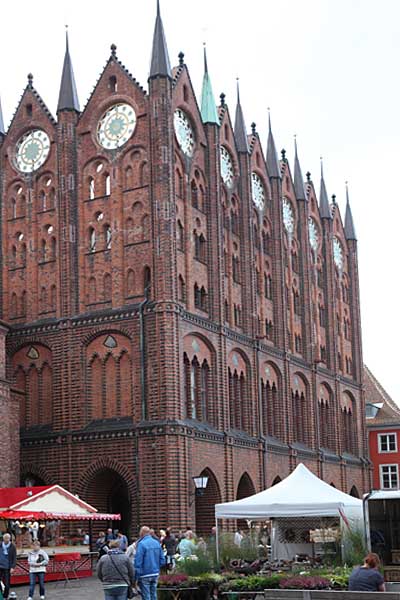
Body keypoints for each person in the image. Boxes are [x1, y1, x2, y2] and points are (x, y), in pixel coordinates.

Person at [134, 526, 165, 600]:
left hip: (144, 574)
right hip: (155, 573)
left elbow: (138, 561)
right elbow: (162, 560)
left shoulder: (141, 544)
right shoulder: (156, 543)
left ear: (142, 533)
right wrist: (157, 567)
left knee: (146, 595)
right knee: (153, 594)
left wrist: (136, 576)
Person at [0, 533, 16, 600]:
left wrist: (12, 567)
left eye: (8, 538)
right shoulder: (0, 545)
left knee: (7, 584)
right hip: (0, 566)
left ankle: (5, 596)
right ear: (3, 539)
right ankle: (1, 595)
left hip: (7, 567)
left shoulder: (12, 546)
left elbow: (14, 557)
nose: (7, 540)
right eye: (5, 538)